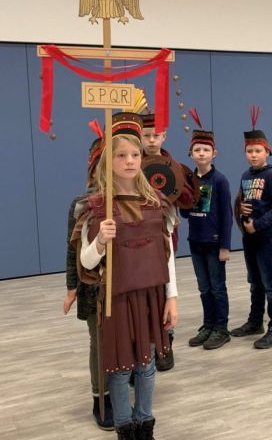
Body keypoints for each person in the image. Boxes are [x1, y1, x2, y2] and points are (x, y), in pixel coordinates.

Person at [72, 112, 178, 439]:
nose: (130, 161)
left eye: (134, 154)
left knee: (146, 364)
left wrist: (172, 297)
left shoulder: (156, 202)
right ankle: (124, 427)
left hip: (151, 295)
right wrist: (100, 241)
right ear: (108, 161)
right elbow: (86, 263)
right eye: (121, 155)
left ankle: (145, 424)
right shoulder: (96, 206)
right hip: (116, 297)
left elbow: (167, 256)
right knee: (119, 368)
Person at [63, 122, 113, 430]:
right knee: (99, 342)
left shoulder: (132, 200)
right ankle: (101, 397)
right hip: (94, 288)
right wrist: (72, 287)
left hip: (125, 286)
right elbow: (73, 250)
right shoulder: (82, 204)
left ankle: (121, 387)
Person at [140, 111, 198, 370]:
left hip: (165, 236)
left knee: (167, 289)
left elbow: (188, 200)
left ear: (164, 136)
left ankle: (166, 342)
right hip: (137, 240)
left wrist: (175, 183)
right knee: (143, 292)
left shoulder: (176, 167)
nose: (152, 140)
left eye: (156, 135)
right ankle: (144, 344)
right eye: (147, 136)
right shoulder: (131, 165)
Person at [231, 106, 272, 349]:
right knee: (255, 281)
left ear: (267, 152)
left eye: (258, 151)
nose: (253, 155)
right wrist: (242, 211)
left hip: (266, 237)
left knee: (270, 282)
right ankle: (255, 321)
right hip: (249, 237)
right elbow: (246, 202)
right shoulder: (246, 175)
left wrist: (258, 224)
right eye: (249, 151)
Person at [180, 114, 233, 350]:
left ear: (214, 153)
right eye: (197, 150)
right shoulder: (188, 180)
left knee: (217, 287)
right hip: (195, 241)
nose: (201, 154)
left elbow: (226, 215)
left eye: (206, 150)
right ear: (190, 154)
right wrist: (184, 198)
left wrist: (225, 246)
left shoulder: (220, 180)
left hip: (214, 243)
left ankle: (221, 328)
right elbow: (185, 213)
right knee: (204, 287)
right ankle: (208, 324)